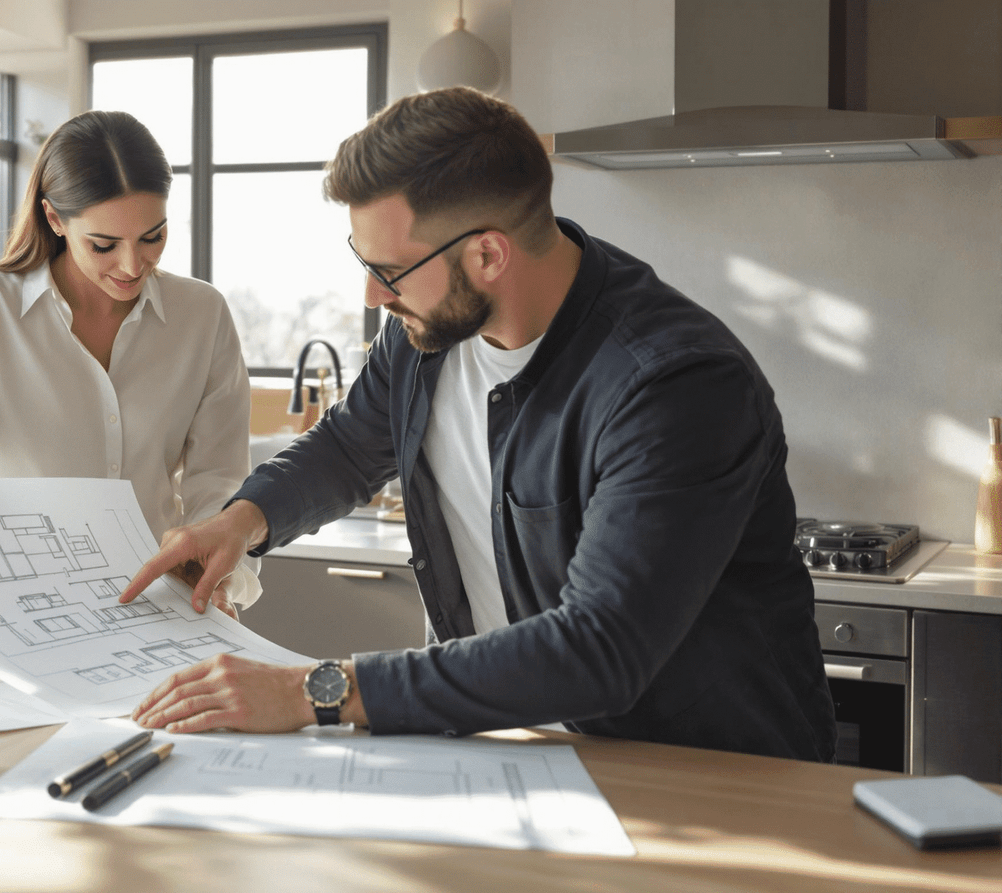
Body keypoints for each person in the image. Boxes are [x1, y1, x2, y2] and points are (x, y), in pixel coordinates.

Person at [118, 87, 836, 762]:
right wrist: (241, 521)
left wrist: (313, 691)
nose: (371, 295)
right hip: (520, 751)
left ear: (488, 253)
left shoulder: (673, 385)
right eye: (363, 261)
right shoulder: (425, 331)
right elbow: (348, 446)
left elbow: (598, 649)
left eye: (389, 270)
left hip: (702, 774)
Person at [0, 109, 258, 613]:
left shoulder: (202, 315)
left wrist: (215, 573)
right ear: (55, 220)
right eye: (103, 245)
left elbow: (219, 478)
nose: (132, 265)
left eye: (153, 237)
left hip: (159, 604)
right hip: (20, 605)